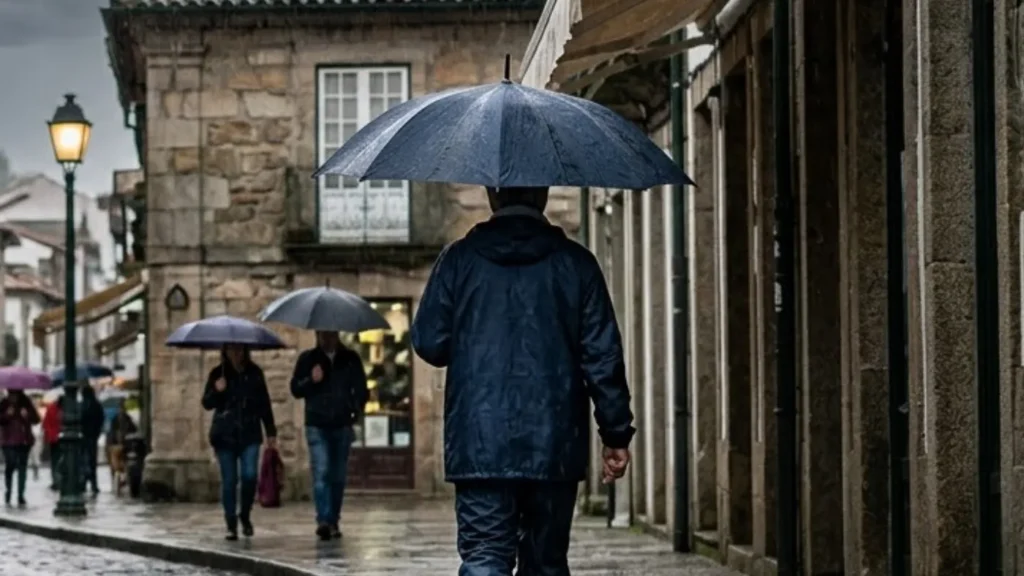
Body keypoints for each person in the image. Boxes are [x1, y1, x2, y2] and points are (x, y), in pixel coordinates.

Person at [411, 187, 635, 576]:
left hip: (480, 444)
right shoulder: (577, 264)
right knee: (545, 564)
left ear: (491, 195)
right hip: (554, 444)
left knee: (483, 558)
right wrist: (615, 433)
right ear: (544, 195)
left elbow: (430, 343)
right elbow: (603, 356)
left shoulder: (458, 261)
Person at [290, 331, 368, 541]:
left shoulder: (350, 359)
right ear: (317, 334)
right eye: (322, 333)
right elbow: (295, 389)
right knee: (322, 470)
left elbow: (362, 389)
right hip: (317, 423)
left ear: (337, 334)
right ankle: (323, 520)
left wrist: (355, 409)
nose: (326, 337)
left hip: (342, 424)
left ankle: (333, 519)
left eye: (330, 333)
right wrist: (311, 380)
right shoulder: (308, 359)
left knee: (338, 475)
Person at [202, 344, 277, 541]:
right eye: (232, 349)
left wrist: (270, 431)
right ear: (225, 351)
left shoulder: (254, 373)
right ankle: (231, 522)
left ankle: (245, 513)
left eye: (240, 349)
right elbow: (207, 403)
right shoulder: (218, 373)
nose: (236, 353)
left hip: (250, 433)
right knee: (229, 481)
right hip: (225, 435)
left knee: (250, 475)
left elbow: (264, 403)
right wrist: (217, 391)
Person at [0, 390, 42, 506]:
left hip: (24, 441)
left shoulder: (26, 402)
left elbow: (37, 420)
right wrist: (7, 415)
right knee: (11, 465)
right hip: (8, 441)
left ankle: (20, 495)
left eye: (15, 394)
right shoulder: (4, 403)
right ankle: (8, 492)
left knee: (22, 468)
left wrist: (27, 415)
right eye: (11, 393)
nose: (13, 396)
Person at [80, 385, 106, 496]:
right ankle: (94, 484)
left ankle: (84, 482)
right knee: (92, 461)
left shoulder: (82, 405)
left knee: (84, 460)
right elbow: (101, 419)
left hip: (84, 436)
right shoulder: (97, 405)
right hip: (93, 436)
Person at [107, 399, 137, 493]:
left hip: (125, 446)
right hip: (118, 446)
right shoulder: (116, 420)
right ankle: (119, 476)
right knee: (116, 460)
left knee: (121, 461)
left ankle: (121, 476)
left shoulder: (127, 419)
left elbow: (133, 431)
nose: (121, 409)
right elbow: (111, 434)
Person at [42, 396, 62, 490]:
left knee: (54, 461)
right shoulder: (61, 410)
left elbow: (45, 424)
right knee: (59, 460)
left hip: (53, 438)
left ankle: (56, 480)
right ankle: (59, 480)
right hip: (59, 438)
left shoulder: (51, 408)